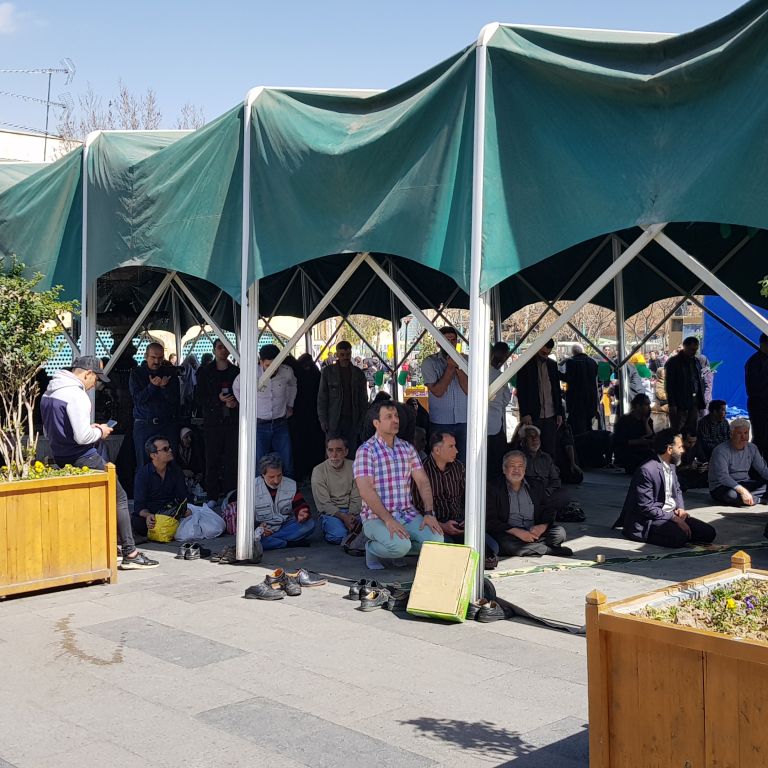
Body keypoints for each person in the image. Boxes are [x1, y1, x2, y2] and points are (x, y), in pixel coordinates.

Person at [40, 356, 158, 570]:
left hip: (60, 455)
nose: (96, 384)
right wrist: (100, 431)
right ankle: (130, 552)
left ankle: (109, 546)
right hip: (83, 455)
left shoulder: (50, 391)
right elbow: (82, 438)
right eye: (95, 379)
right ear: (87, 373)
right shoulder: (77, 395)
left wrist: (89, 428)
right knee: (119, 497)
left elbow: (53, 430)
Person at [353, 400, 443, 570]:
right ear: (376, 424)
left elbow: (422, 481)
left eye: (396, 416)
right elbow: (366, 490)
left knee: (436, 540)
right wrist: (388, 519)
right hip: (376, 517)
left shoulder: (407, 448)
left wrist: (429, 513)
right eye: (389, 416)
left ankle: (400, 549)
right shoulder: (366, 451)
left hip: (406, 513)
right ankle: (371, 548)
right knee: (400, 546)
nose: (395, 420)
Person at [618, 429, 716, 547]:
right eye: (679, 447)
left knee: (708, 533)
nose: (683, 451)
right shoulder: (647, 470)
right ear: (669, 449)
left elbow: (677, 490)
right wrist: (673, 518)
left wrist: (680, 508)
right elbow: (646, 507)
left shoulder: (671, 465)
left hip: (670, 514)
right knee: (679, 538)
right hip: (650, 518)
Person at [413, 431, 500, 563]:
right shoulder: (421, 471)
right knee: (447, 550)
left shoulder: (459, 467)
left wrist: (468, 519)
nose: (457, 451)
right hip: (435, 526)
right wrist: (442, 525)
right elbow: (415, 507)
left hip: (459, 523)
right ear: (437, 450)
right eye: (451, 446)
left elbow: (470, 497)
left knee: (493, 547)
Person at [486, 451, 572, 557]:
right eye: (512, 466)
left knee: (559, 533)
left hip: (533, 532)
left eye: (520, 466)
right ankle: (549, 550)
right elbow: (490, 520)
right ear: (504, 469)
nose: (516, 470)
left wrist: (542, 526)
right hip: (510, 533)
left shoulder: (536, 485)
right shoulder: (493, 488)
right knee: (505, 544)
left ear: (525, 469)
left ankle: (528, 548)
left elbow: (548, 509)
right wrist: (516, 531)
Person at [234, 344, 296, 477]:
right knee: (259, 463)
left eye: (276, 365)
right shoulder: (250, 372)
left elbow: (293, 385)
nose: (273, 370)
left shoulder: (287, 371)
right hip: (258, 424)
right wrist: (247, 407)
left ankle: (289, 495)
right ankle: (259, 495)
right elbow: (237, 388)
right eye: (268, 366)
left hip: (280, 422)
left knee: (286, 461)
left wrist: (290, 405)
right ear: (261, 362)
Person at [194, 339, 240, 502]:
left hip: (232, 422)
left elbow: (243, 394)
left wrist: (235, 402)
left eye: (225, 348)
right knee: (212, 459)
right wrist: (218, 399)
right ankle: (212, 495)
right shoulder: (205, 372)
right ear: (214, 350)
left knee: (232, 460)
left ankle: (231, 495)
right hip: (213, 422)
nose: (223, 350)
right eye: (219, 347)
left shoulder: (236, 371)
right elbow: (198, 397)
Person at [129, 342, 180, 469]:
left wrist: (164, 388)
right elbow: (137, 399)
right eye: (153, 357)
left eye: (160, 358)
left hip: (166, 423)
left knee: (170, 463)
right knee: (144, 463)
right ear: (146, 356)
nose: (157, 361)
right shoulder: (137, 374)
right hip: (144, 424)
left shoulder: (170, 373)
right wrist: (152, 387)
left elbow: (175, 400)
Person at [421, 326, 468, 462]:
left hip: (464, 420)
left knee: (464, 462)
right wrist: (450, 367)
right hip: (440, 422)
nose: (450, 343)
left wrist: (458, 366)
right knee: (441, 462)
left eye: (453, 340)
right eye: (446, 340)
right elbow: (438, 391)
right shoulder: (430, 362)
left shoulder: (467, 361)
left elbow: (469, 390)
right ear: (438, 343)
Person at [132, 435, 190, 537]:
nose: (170, 450)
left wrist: (184, 510)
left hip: (172, 512)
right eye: (165, 449)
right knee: (139, 523)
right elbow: (139, 504)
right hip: (153, 513)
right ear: (153, 455)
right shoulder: (143, 474)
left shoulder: (176, 471)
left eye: (169, 447)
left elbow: (183, 496)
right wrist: (148, 515)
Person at [515, 339, 564, 459]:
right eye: (543, 353)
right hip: (533, 415)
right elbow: (521, 390)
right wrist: (525, 413)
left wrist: (559, 412)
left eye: (547, 353)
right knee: (531, 448)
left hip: (551, 414)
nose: (545, 356)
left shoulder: (552, 365)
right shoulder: (526, 365)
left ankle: (549, 474)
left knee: (550, 448)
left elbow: (556, 390)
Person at [317, 340, 368, 454]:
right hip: (333, 421)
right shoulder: (328, 372)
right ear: (337, 355)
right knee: (333, 453)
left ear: (351, 354)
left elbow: (363, 399)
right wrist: (323, 420)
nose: (345, 357)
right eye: (342, 355)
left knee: (351, 452)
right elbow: (322, 398)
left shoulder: (358, 373)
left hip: (352, 421)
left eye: (348, 355)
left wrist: (361, 421)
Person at [255, 453, 315, 549]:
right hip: (263, 529)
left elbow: (300, 504)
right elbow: (243, 519)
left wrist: (302, 512)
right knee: (253, 539)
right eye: (271, 477)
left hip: (285, 526)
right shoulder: (251, 488)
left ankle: (274, 542)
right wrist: (258, 528)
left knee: (309, 525)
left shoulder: (290, 484)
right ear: (262, 474)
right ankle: (289, 543)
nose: (276, 480)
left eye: (279, 475)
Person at [311, 436, 362, 544]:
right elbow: (324, 504)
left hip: (354, 511)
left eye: (338, 450)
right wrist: (344, 518)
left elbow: (357, 496)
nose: (334, 455)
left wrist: (351, 516)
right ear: (326, 452)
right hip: (331, 513)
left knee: (372, 531)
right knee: (339, 536)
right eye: (330, 450)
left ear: (346, 451)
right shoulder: (319, 471)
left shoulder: (354, 466)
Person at [709, 418, 768, 506]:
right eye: (739, 433)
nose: (743, 437)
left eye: (746, 433)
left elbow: (763, 470)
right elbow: (723, 477)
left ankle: (750, 498)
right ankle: (760, 500)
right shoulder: (721, 450)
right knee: (731, 495)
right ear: (731, 434)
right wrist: (742, 491)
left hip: (745, 483)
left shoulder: (752, 448)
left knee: (765, 486)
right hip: (722, 486)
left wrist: (744, 491)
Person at [664, 336, 706, 435]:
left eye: (696, 349)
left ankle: (690, 449)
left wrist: (701, 401)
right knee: (678, 432)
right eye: (692, 349)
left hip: (694, 403)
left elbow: (699, 381)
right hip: (680, 404)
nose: (694, 352)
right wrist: (672, 404)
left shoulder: (696, 361)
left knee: (692, 431)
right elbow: (669, 385)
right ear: (685, 347)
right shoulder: (673, 362)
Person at [562, 343, 598, 436]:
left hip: (576, 401)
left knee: (577, 430)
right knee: (588, 426)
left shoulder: (571, 362)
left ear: (573, 352)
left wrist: (557, 374)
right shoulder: (593, 362)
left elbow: (569, 378)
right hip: (591, 400)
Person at [613, 393, 655, 474]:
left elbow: (651, 437)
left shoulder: (647, 420)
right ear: (638, 406)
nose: (649, 408)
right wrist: (639, 441)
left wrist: (646, 423)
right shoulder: (624, 421)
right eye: (646, 405)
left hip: (643, 450)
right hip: (628, 452)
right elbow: (619, 441)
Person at [488, 342, 512, 480]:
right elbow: (505, 400)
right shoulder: (498, 376)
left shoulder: (471, 372)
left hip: (473, 424)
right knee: (495, 463)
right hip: (495, 424)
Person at [745, 333, 768, 457]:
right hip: (759, 405)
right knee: (760, 438)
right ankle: (757, 468)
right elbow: (754, 387)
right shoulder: (754, 362)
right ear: (764, 344)